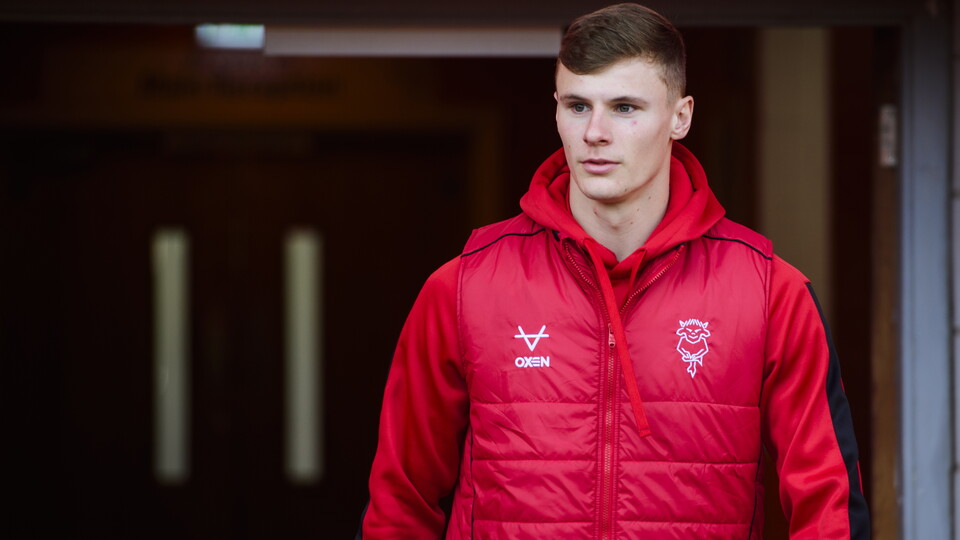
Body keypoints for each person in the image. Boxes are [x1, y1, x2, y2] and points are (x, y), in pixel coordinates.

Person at [361, 3, 870, 538]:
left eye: (625, 107)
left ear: (681, 117)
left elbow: (829, 504)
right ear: (556, 111)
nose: (595, 132)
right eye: (578, 106)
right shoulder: (465, 287)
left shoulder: (770, 293)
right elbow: (399, 502)